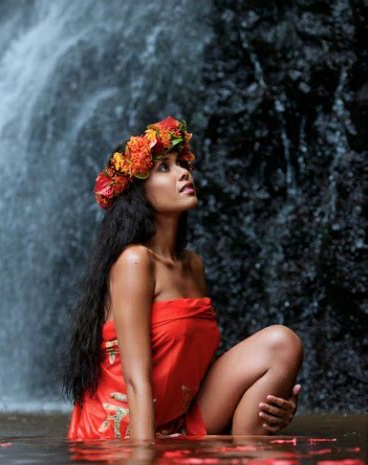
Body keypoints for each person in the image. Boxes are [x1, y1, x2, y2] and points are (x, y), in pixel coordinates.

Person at [63, 116, 303, 442]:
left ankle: (250, 446)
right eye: (164, 168)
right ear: (138, 194)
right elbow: (136, 379)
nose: (183, 172)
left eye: (181, 164)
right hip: (122, 433)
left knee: (282, 343)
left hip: (177, 421)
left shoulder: (192, 265)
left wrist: (277, 403)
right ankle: (231, 454)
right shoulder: (135, 261)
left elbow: (191, 367)